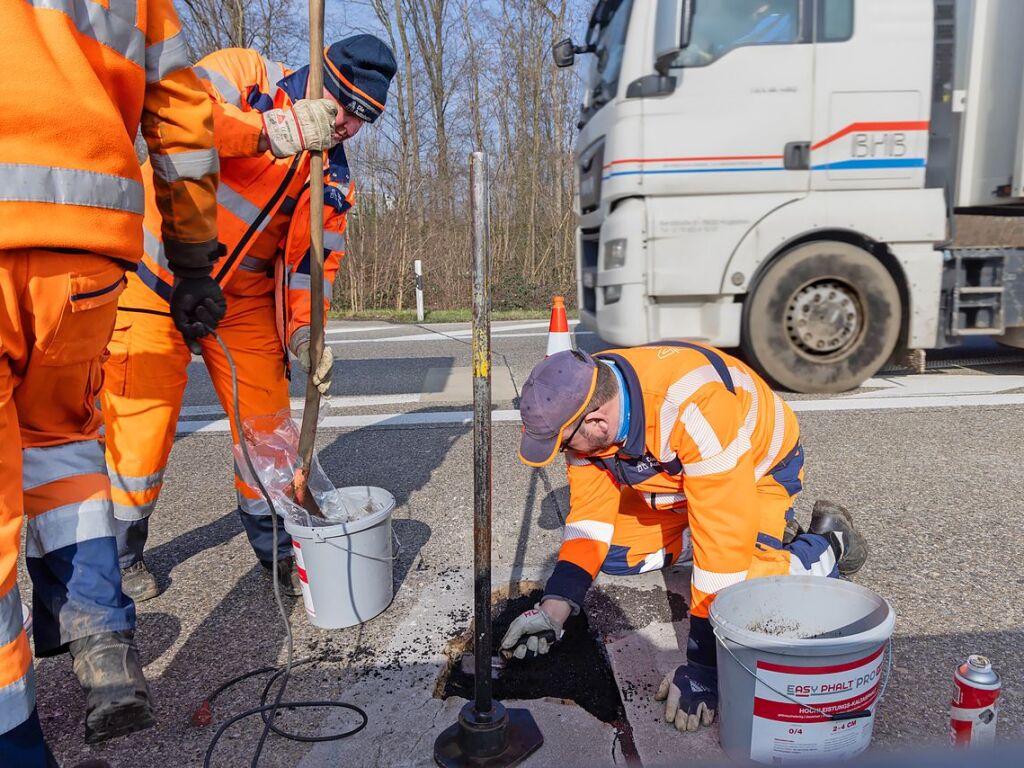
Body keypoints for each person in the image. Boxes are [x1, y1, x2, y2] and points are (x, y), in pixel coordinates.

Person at [0, 0, 222, 760]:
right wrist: (194, 264)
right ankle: (101, 641)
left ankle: (16, 741)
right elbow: (184, 117)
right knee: (61, 445)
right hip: (88, 251)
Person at [101, 36, 398, 602]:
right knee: (141, 430)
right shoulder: (246, 73)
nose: (346, 128)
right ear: (319, 83)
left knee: (270, 434)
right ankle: (119, 555)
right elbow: (179, 118)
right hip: (153, 278)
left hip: (241, 303)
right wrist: (274, 132)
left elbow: (313, 267)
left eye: (362, 121)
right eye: (341, 110)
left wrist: (307, 333)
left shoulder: (332, 177)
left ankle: (279, 552)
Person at [501, 344, 867, 732]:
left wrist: (704, 667)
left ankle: (825, 545)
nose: (564, 452)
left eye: (563, 443)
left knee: (741, 586)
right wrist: (555, 607)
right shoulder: (588, 391)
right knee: (614, 554)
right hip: (680, 483)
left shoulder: (695, 408)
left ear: (596, 422)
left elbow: (721, 554)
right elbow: (590, 520)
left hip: (757, 474)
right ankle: (757, 538)